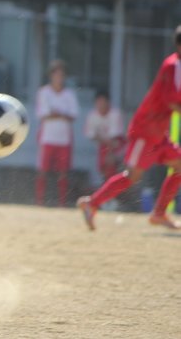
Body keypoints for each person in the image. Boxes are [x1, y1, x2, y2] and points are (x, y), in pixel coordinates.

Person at [78, 26, 181, 231]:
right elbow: (171, 101)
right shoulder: (172, 66)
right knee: (132, 176)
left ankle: (159, 214)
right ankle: (92, 203)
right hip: (145, 130)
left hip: (158, 131)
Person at [35, 59, 79, 207]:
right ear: (51, 76)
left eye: (61, 75)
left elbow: (73, 115)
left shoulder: (69, 94)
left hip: (64, 138)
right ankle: (40, 201)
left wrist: (56, 113)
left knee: (63, 172)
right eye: (56, 75)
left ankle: (62, 202)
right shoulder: (44, 92)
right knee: (43, 170)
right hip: (47, 137)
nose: (59, 78)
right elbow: (43, 114)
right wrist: (61, 114)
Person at [84, 91, 126, 182]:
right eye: (98, 103)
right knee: (103, 169)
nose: (101, 105)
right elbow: (90, 135)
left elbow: (115, 138)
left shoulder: (115, 114)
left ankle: (116, 193)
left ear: (108, 102)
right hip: (104, 145)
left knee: (113, 169)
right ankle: (107, 191)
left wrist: (111, 153)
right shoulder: (92, 115)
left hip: (118, 145)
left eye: (103, 102)